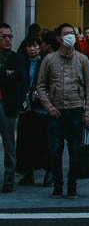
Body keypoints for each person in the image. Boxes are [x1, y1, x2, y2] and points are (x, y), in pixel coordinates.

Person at [36, 22, 89, 198]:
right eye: (67, 33)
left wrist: (87, 112)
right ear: (59, 38)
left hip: (76, 109)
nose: (71, 36)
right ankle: (57, 185)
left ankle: (72, 185)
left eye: (73, 34)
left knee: (75, 150)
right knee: (55, 149)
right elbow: (40, 85)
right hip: (56, 110)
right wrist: (49, 106)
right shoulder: (49, 59)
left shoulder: (82, 59)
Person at [16, 38, 51, 187]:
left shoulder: (45, 63)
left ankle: (48, 171)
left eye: (35, 46)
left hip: (41, 107)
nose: (32, 49)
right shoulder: (22, 63)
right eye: (29, 47)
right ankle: (28, 173)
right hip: (26, 108)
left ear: (40, 47)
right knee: (26, 142)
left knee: (43, 141)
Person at [0, 22, 26, 193]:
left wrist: (7, 75)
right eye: (4, 37)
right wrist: (6, 75)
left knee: (9, 143)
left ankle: (9, 178)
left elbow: (19, 79)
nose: (8, 40)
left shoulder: (17, 58)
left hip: (8, 105)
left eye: (10, 36)